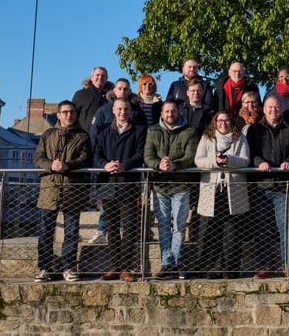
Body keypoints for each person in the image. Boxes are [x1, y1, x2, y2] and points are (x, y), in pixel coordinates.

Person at [34, 100, 92, 282]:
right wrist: (51, 165)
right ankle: (44, 267)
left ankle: (68, 266)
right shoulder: (48, 134)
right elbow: (39, 157)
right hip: (50, 188)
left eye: (72, 112)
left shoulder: (83, 136)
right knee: (45, 230)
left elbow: (86, 159)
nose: (69, 115)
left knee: (72, 231)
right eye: (65, 112)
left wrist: (67, 166)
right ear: (58, 115)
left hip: (73, 188)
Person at [246, 94, 289, 279]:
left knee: (285, 227)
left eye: (276, 107)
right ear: (264, 109)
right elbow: (250, 152)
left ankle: (288, 266)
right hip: (261, 186)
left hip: (283, 186)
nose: (273, 110)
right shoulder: (254, 129)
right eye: (269, 107)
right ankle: (266, 265)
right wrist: (259, 161)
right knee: (261, 227)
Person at [94, 98, 147, 282]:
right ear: (113, 111)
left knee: (130, 228)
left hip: (128, 184)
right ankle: (114, 266)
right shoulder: (103, 132)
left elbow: (140, 154)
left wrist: (125, 165)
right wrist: (105, 165)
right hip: (108, 185)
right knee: (112, 228)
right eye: (119, 109)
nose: (122, 112)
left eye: (125, 109)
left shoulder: (139, 131)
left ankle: (126, 267)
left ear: (130, 111)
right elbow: (97, 155)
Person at [143, 100, 198, 279]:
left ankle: (177, 261)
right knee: (164, 226)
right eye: (166, 112)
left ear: (178, 111)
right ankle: (167, 263)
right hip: (160, 186)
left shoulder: (189, 131)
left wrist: (176, 165)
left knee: (179, 226)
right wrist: (159, 164)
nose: (170, 114)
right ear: (161, 113)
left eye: (173, 111)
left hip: (181, 184)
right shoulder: (153, 131)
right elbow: (148, 155)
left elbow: (191, 157)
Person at [194, 112, 251, 278]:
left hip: (232, 192)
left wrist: (228, 160)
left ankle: (230, 270)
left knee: (231, 234)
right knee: (209, 233)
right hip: (212, 191)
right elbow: (199, 160)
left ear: (231, 122)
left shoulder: (240, 138)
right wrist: (215, 161)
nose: (223, 123)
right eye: (220, 120)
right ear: (215, 122)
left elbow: (245, 160)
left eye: (226, 120)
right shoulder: (207, 138)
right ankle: (205, 269)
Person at [72, 66, 112, 133]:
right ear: (91, 77)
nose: (100, 77)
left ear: (106, 79)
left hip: (106, 136)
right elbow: (73, 114)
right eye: (97, 75)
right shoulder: (80, 94)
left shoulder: (112, 97)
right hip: (84, 135)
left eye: (103, 76)